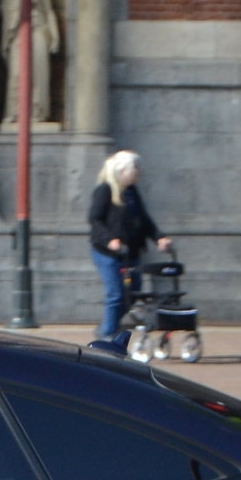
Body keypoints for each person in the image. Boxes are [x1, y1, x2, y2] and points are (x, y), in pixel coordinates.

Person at [87, 148, 172, 353]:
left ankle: (108, 329)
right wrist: (110, 240)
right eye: (135, 168)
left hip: (131, 253)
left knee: (132, 294)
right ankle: (107, 333)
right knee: (116, 293)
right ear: (122, 171)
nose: (138, 172)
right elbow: (95, 219)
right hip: (108, 254)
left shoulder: (132, 192)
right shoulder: (105, 190)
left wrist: (159, 237)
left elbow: (143, 219)